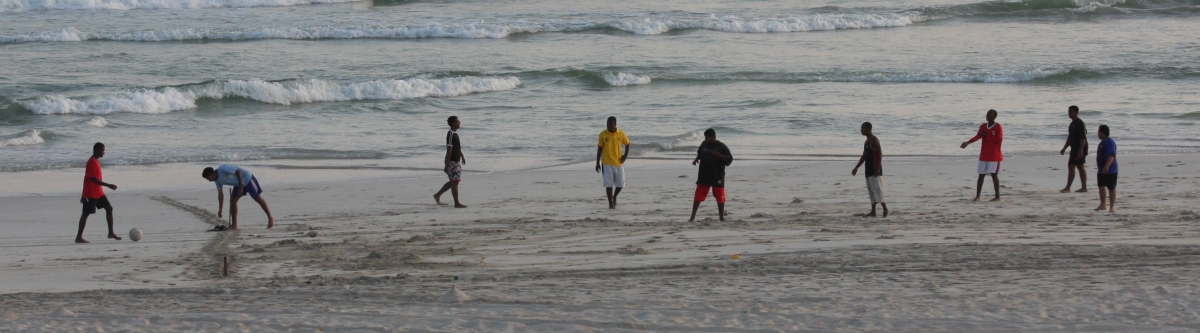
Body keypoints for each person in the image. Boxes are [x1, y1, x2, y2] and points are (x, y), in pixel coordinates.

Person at [202, 164, 275, 229]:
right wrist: (220, 209)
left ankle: (270, 218)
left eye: (208, 178)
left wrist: (240, 187)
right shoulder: (217, 181)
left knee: (257, 198)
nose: (209, 181)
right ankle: (234, 224)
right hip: (238, 184)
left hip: (247, 178)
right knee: (233, 201)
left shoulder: (222, 168)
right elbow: (220, 195)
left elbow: (238, 172)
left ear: (212, 174)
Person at [76, 142, 121, 243]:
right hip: (91, 193)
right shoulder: (92, 162)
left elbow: (85, 178)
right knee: (85, 214)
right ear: (97, 150)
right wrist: (108, 185)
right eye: (102, 150)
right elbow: (92, 179)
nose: (103, 152)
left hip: (98, 192)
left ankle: (111, 233)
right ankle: (78, 237)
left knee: (109, 208)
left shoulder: (96, 161)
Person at [689, 128, 733, 222]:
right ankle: (692, 217)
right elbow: (700, 153)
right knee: (698, 196)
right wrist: (696, 159)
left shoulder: (721, 146)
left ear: (713, 137)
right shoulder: (704, 144)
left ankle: (721, 217)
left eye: (707, 138)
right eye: (705, 137)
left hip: (717, 175)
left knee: (720, 197)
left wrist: (719, 155)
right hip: (704, 175)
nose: (706, 139)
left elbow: (729, 159)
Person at [960, 109, 1004, 202]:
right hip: (984, 155)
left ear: (994, 116)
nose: (987, 116)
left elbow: (999, 139)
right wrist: (968, 142)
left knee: (994, 175)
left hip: (994, 155)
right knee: (981, 175)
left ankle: (997, 197)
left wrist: (987, 136)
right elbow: (978, 136)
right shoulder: (983, 126)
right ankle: (977, 196)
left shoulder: (998, 127)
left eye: (990, 115)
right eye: (987, 114)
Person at [852, 122, 887, 217]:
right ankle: (873, 211)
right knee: (870, 190)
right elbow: (864, 156)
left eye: (863, 128)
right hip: (868, 169)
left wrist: (877, 168)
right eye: (861, 129)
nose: (861, 130)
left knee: (877, 189)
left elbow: (880, 154)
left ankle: (885, 209)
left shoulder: (874, 140)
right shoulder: (866, 142)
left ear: (868, 128)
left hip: (875, 169)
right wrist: (856, 167)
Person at [595, 116, 630, 209]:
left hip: (619, 162)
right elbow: (600, 148)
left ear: (615, 124)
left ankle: (614, 196)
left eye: (611, 124)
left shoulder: (621, 134)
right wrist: (597, 162)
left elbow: (627, 144)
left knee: (621, 184)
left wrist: (625, 156)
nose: (609, 126)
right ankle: (610, 203)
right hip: (606, 163)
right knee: (608, 184)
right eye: (607, 124)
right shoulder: (603, 134)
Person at [434, 116, 467, 208]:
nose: (459, 122)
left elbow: (457, 148)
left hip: (456, 160)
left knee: (453, 181)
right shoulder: (450, 134)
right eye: (457, 121)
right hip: (452, 161)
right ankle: (456, 203)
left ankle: (437, 195)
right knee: (455, 182)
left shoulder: (455, 133)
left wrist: (462, 156)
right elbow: (449, 150)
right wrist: (446, 165)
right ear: (453, 123)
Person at [1059, 105, 1088, 193]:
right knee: (1073, 166)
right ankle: (1069, 187)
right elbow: (1070, 138)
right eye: (1068, 112)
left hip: (1080, 147)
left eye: (1071, 112)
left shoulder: (1080, 123)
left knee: (1079, 166)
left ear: (1076, 112)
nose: (1069, 113)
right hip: (1074, 148)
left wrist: (1081, 150)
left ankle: (1082, 187)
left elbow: (1083, 138)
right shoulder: (1072, 124)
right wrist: (1064, 148)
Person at [1095, 125, 1118, 212]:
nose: (1098, 134)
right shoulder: (1102, 142)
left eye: (1099, 132)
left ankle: (1112, 207)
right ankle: (1102, 204)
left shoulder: (1109, 142)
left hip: (1111, 170)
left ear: (1102, 132)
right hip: (1101, 170)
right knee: (1101, 186)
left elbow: (1112, 155)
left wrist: (1107, 165)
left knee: (1111, 187)